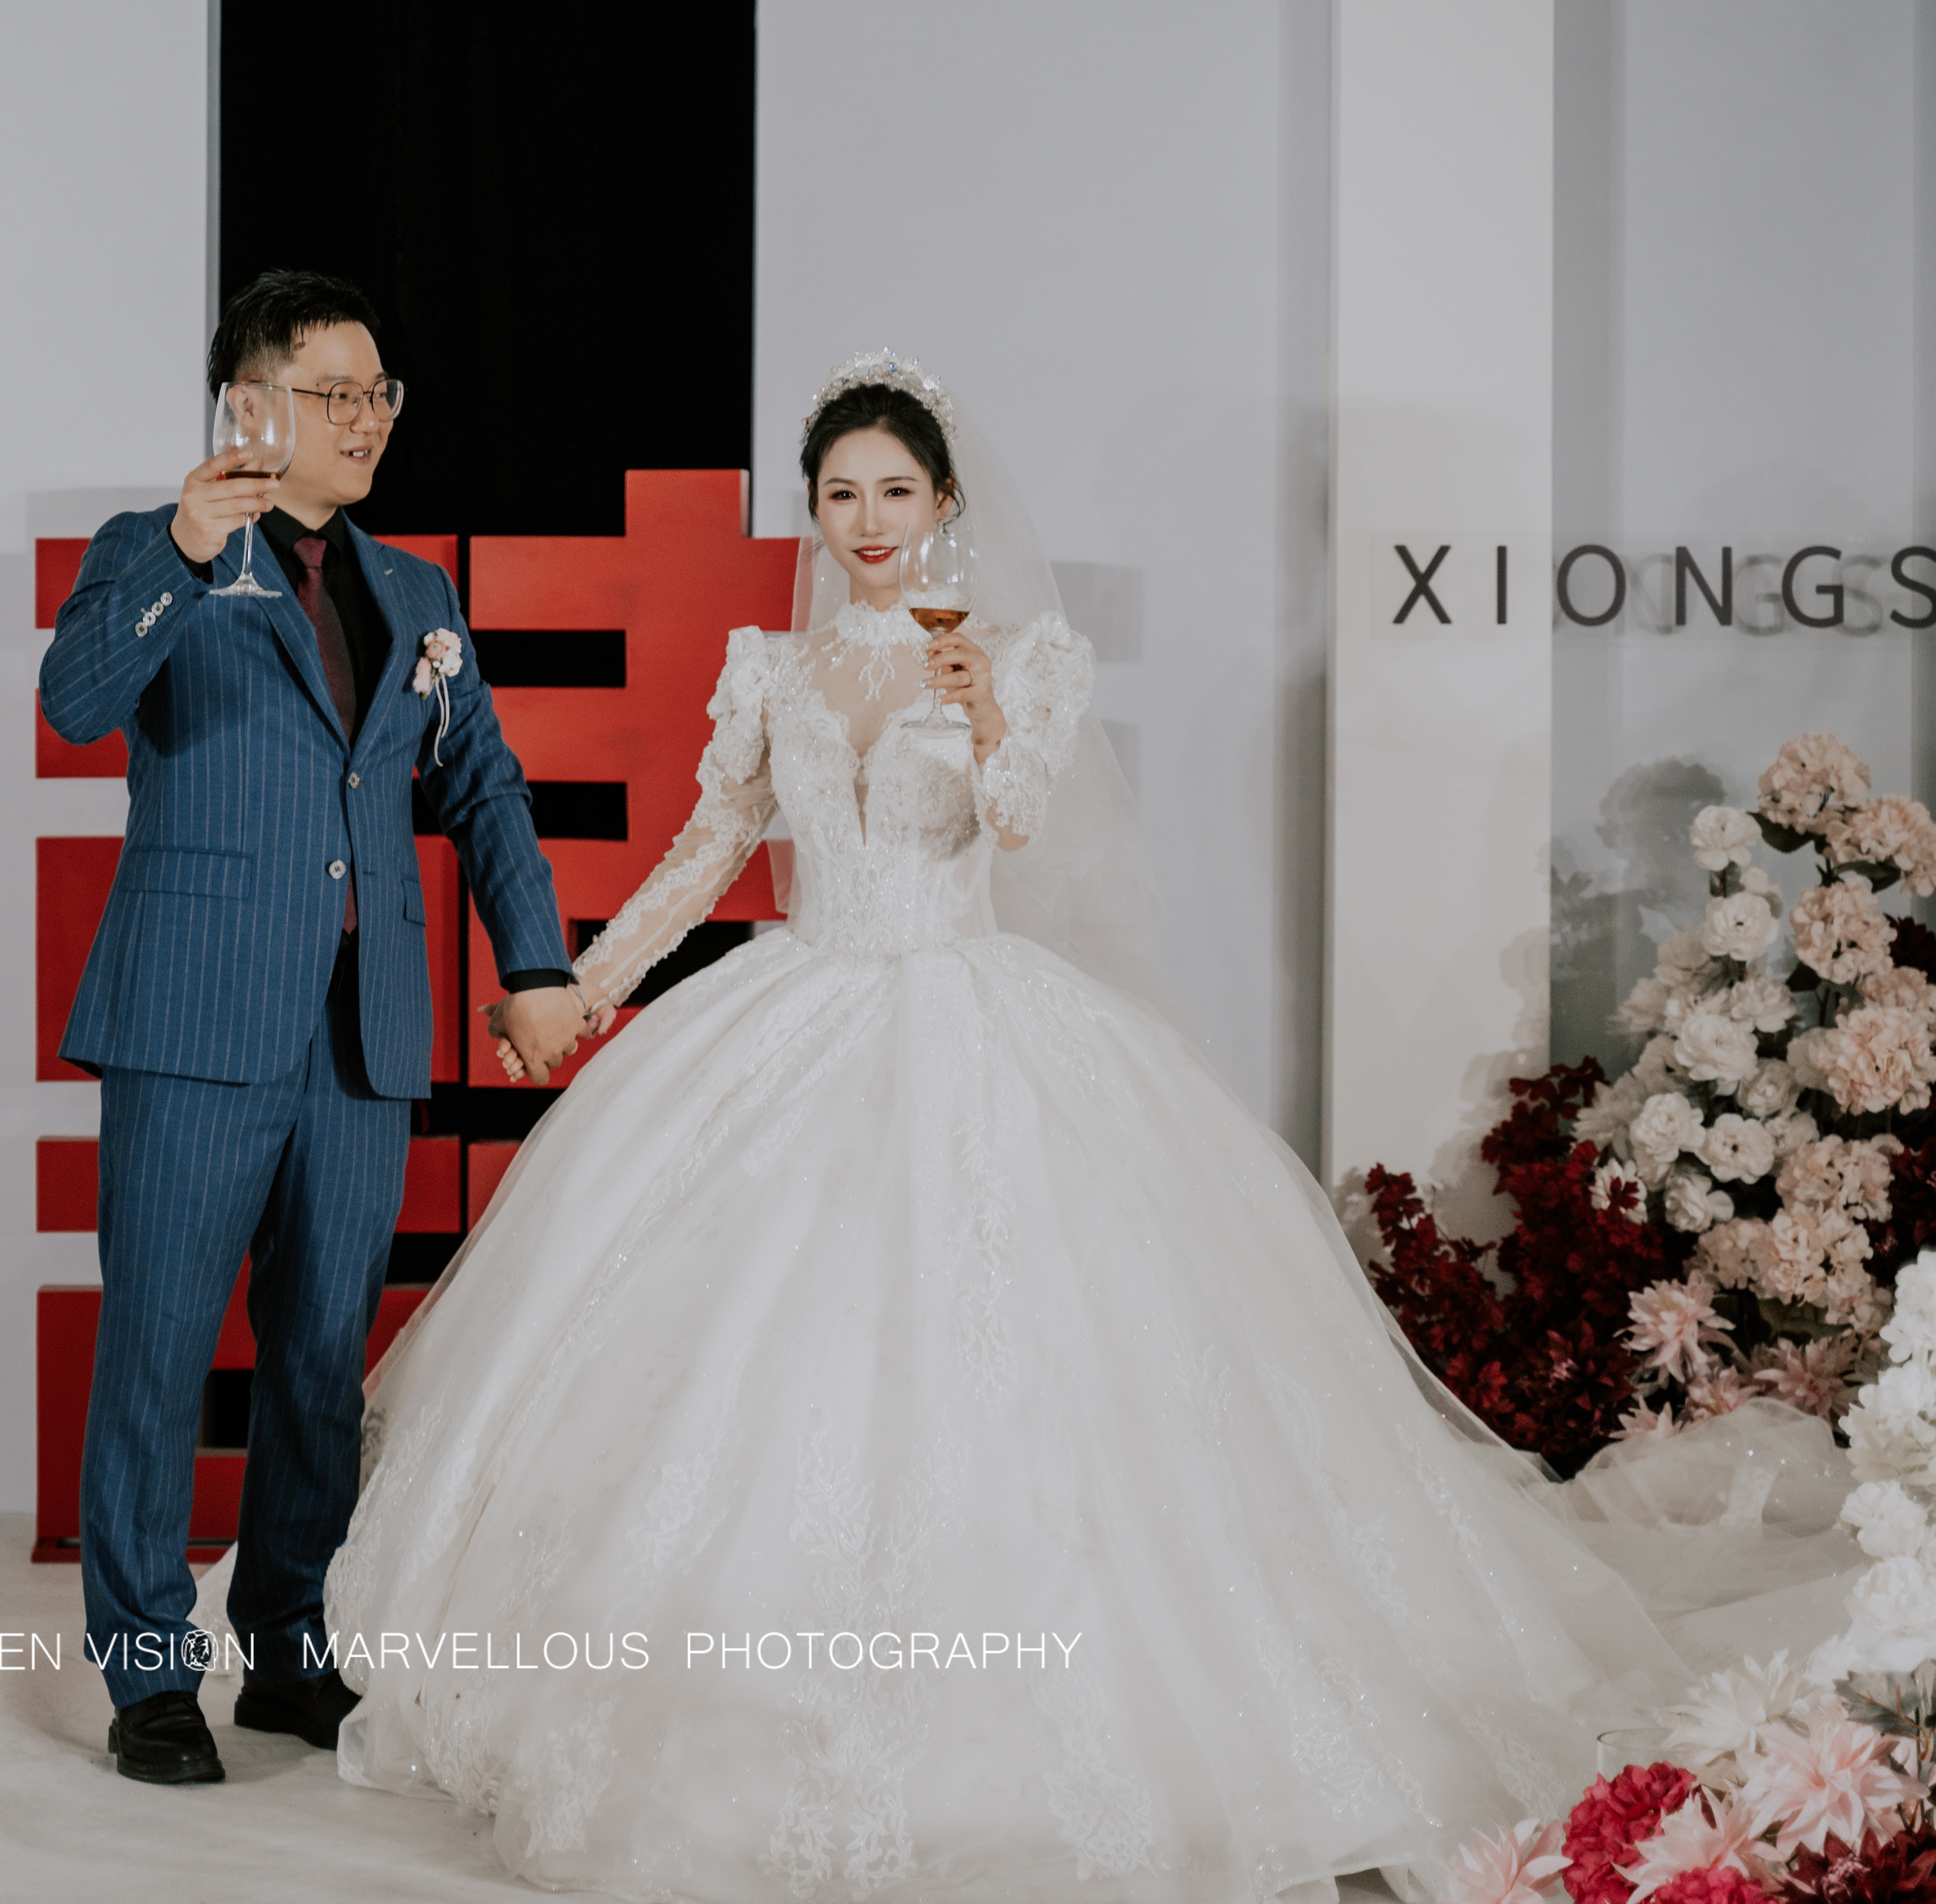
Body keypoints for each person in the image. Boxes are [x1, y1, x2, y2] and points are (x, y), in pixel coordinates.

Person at [309, 351, 1826, 1902]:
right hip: (804, 1004)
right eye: (841, 493)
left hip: (969, 1011)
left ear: (943, 502)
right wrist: (585, 983)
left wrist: (982, 718)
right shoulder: (773, 668)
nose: (869, 520)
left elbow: (1027, 823)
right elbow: (712, 848)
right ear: (814, 510)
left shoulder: (1022, 655)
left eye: (896, 490)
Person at [39, 270, 589, 1786]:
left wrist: (536, 959)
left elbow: (481, 785)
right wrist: (183, 548)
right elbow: (75, 703)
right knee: (158, 1352)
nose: (367, 420)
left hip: (363, 1033)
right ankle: (150, 1674)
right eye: (335, 393)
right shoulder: (153, 551)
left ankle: (287, 1643)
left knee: (318, 1363)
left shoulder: (415, 593)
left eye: (379, 394)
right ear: (251, 405)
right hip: (194, 1019)